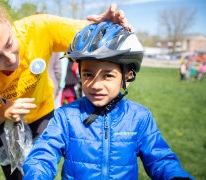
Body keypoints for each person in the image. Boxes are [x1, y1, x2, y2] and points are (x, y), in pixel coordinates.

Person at [0, 0, 133, 179]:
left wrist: (108, 29)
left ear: (7, 22)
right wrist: (4, 113)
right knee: (17, 175)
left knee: (42, 169)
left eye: (9, 43)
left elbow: (90, 36)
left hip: (43, 113)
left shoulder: (39, 28)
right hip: (3, 127)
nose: (11, 59)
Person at [23, 22, 194, 179]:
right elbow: (43, 154)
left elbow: (160, 159)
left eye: (108, 75)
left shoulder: (140, 117)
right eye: (88, 74)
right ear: (79, 74)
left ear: (127, 76)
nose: (96, 85)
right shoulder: (65, 116)